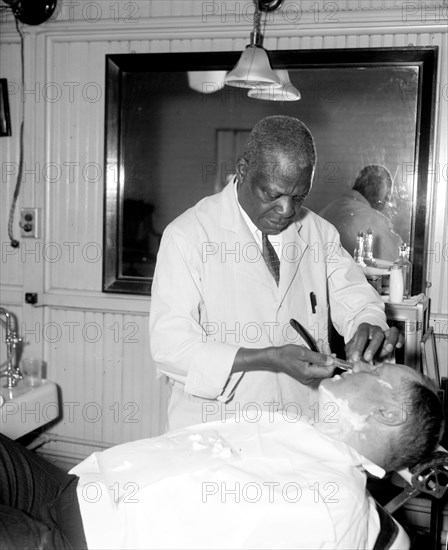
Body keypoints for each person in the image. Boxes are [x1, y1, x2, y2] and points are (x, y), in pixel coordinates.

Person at [0, 363, 443, 549]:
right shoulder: (298, 431)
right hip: (79, 489)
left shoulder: (335, 504)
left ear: (386, 413)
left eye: (375, 372)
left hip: (85, 540)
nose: (358, 366)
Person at [149, 115, 402, 430]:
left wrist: (367, 324)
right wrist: (266, 358)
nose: (286, 210)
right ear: (243, 170)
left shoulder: (318, 233)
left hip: (297, 418)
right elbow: (170, 347)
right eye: (272, 194)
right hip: (216, 424)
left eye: (298, 196)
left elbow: (357, 298)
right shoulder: (189, 235)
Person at [319, 164, 403, 262]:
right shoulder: (374, 220)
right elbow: (397, 263)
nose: (386, 201)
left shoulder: (326, 211)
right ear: (370, 188)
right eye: (386, 195)